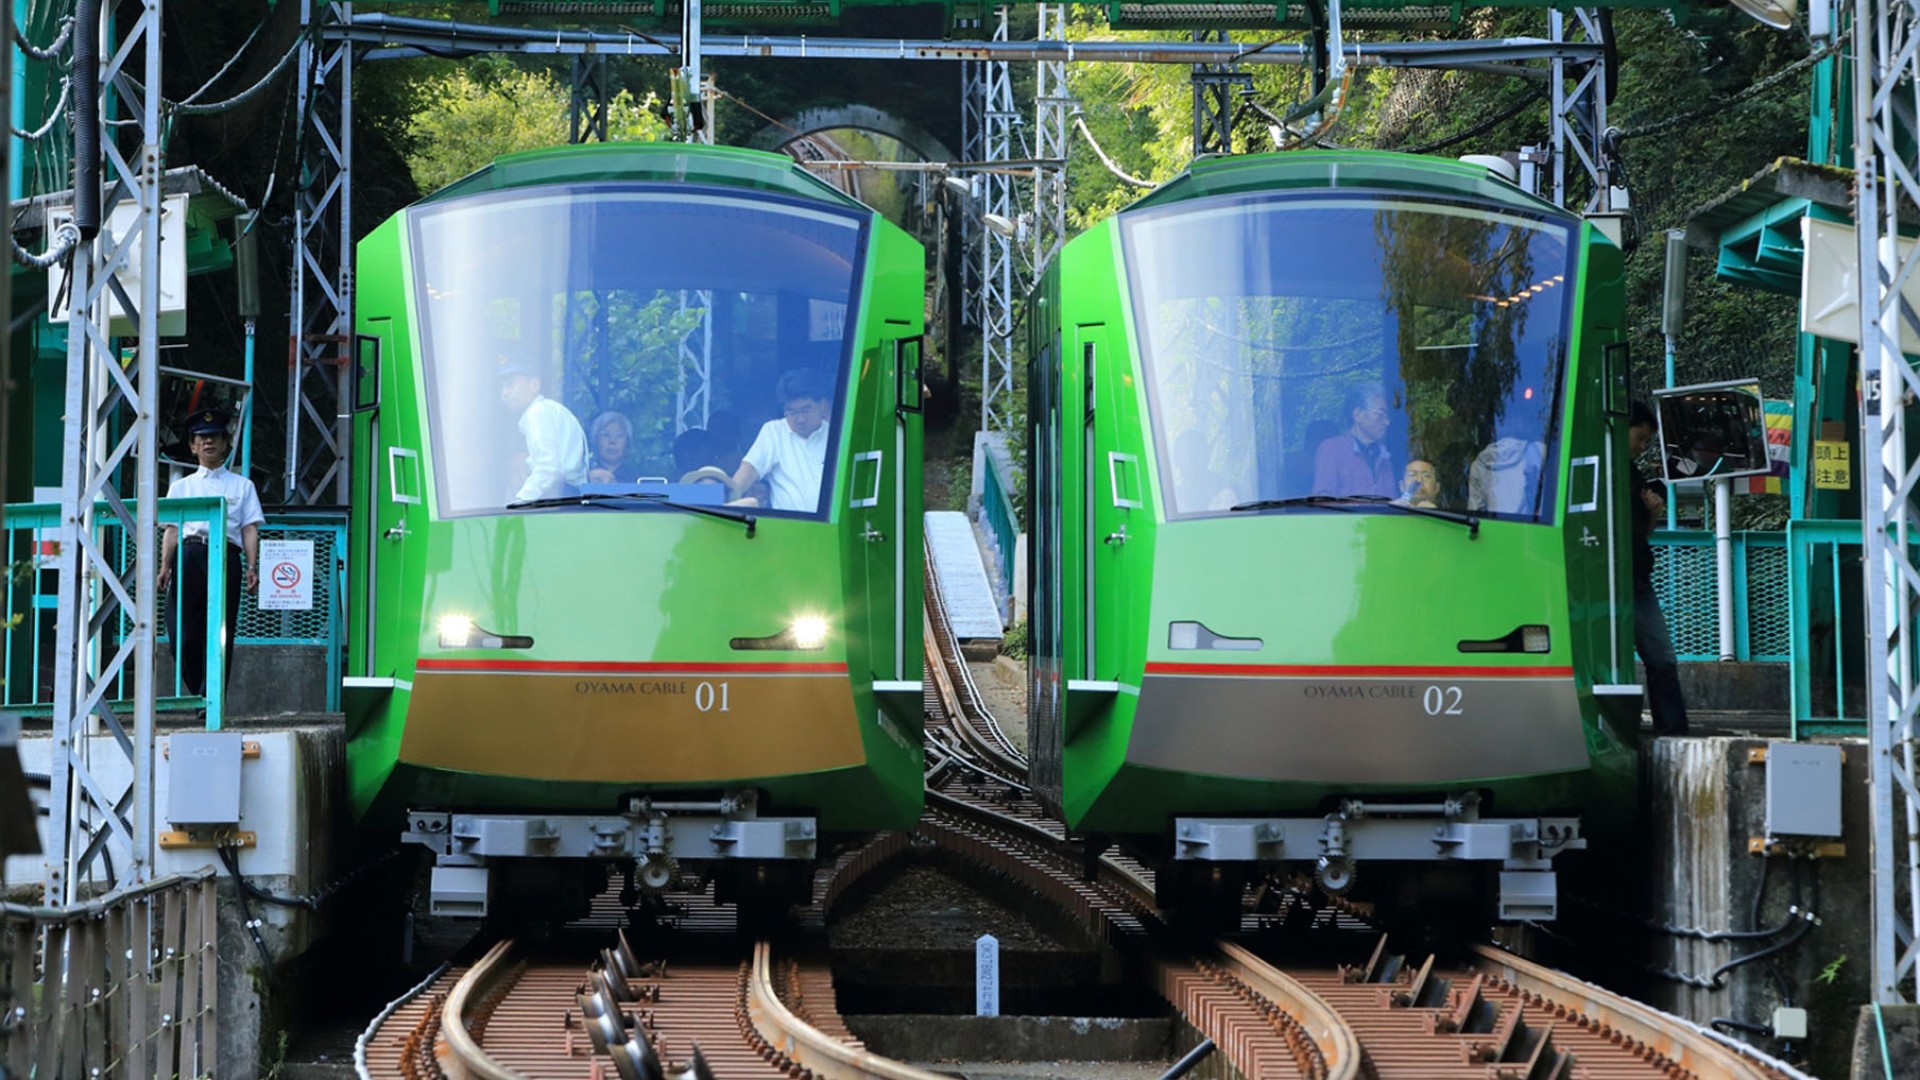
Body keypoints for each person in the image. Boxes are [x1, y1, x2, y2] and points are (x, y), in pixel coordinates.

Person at [158, 408, 264, 700]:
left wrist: (252, 566)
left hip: (226, 558)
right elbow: (171, 530)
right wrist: (165, 566)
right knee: (183, 636)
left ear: (225, 443)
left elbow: (249, 528)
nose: (208, 443)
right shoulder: (181, 487)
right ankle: (199, 693)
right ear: (192, 446)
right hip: (189, 556)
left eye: (214, 437)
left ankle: (211, 698)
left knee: (220, 632)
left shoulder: (242, 486)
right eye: (201, 438)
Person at [1629, 401, 1689, 736]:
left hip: (1637, 579)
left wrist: (1652, 515)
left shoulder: (1635, 475)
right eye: (1639, 438)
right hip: (1610, 580)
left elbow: (1639, 535)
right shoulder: (1607, 472)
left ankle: (1672, 729)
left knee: (1662, 657)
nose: (1642, 446)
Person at [731, 369, 832, 512]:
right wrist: (724, 501)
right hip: (788, 526)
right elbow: (746, 473)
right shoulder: (774, 432)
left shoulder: (836, 435)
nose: (800, 419)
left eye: (806, 410)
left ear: (822, 405)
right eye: (792, 412)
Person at [498, 358, 587, 503]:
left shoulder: (538, 412)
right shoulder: (548, 410)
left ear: (534, 385)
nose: (504, 393)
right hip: (568, 492)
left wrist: (520, 501)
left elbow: (547, 466)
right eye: (502, 387)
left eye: (510, 384)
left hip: (561, 495)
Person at [1312, 382, 1396, 498]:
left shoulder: (1383, 456)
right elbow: (1323, 502)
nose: (1387, 422)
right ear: (1358, 415)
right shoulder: (1331, 449)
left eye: (1387, 416)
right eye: (1380, 414)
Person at [586, 412, 641, 484]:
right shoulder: (583, 475)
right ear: (596, 440)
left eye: (619, 435)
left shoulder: (638, 479)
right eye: (605, 435)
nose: (612, 441)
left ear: (627, 441)